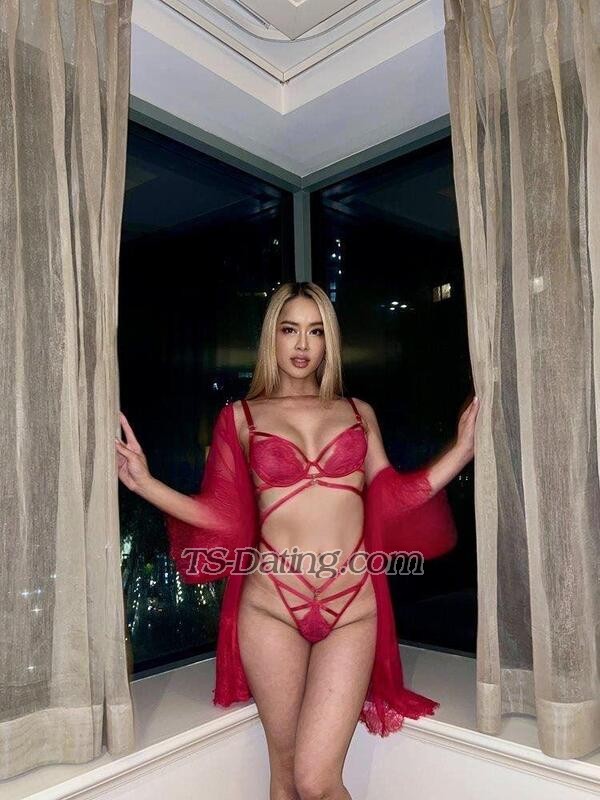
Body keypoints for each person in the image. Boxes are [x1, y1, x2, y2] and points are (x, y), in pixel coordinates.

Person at [115, 281, 478, 800]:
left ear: (329, 341)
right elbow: (222, 518)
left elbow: (392, 498)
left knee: (316, 779)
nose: (303, 344)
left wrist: (461, 451)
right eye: (290, 330)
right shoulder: (239, 418)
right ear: (273, 338)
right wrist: (146, 484)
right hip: (271, 606)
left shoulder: (358, 412)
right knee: (285, 776)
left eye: (315, 331)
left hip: (351, 605)